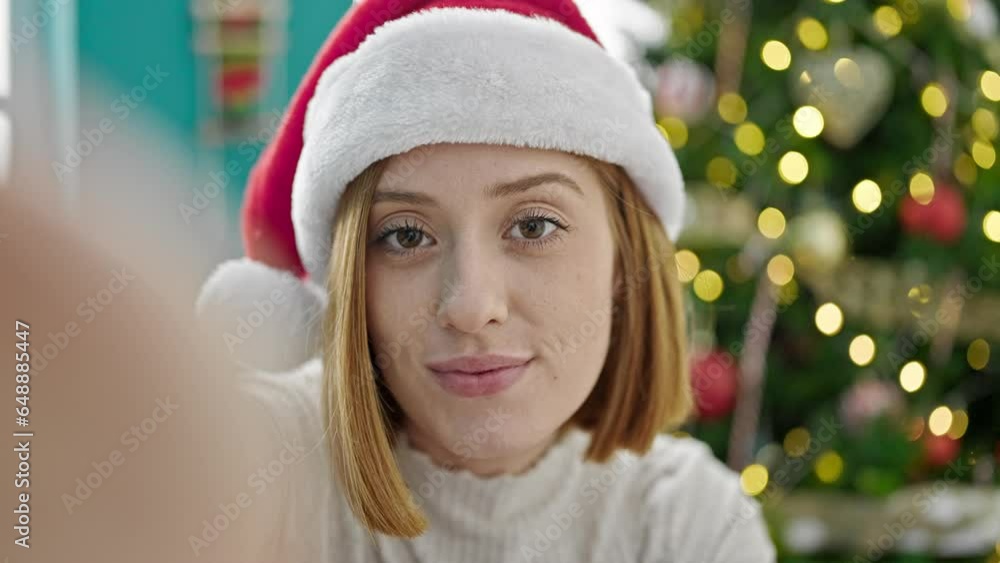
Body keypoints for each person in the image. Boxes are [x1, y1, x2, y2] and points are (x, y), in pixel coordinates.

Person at [196, 1, 777, 561]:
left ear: (625, 262)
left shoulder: (689, 525)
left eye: (533, 225)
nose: (471, 307)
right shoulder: (262, 470)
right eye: (404, 236)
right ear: (351, 284)